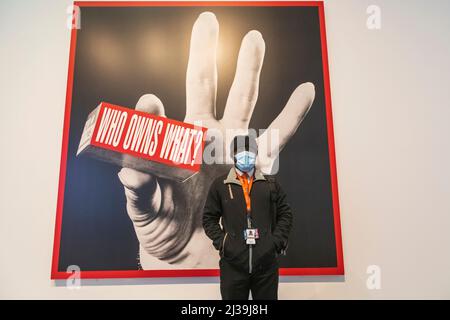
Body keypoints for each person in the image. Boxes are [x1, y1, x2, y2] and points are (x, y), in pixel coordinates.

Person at [203, 135, 293, 300]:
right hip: (233, 265)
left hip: (266, 265)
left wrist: (274, 242)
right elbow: (208, 218)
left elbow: (285, 214)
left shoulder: (270, 184)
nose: (245, 154)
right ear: (233, 155)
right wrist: (224, 243)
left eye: (250, 150)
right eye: (240, 151)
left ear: (256, 153)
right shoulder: (220, 185)